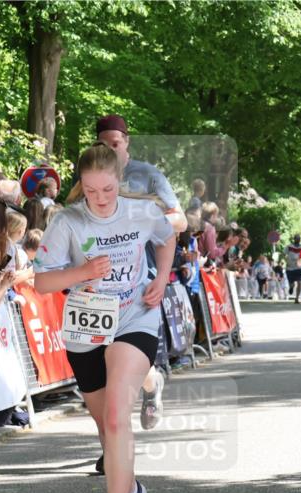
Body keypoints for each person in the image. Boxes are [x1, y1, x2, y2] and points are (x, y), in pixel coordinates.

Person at [33, 142, 175, 493]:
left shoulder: (142, 211)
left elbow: (166, 239)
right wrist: (82, 271)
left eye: (107, 190)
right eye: (91, 190)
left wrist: (161, 278)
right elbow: (42, 282)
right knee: (105, 426)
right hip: (86, 327)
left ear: (119, 182)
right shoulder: (67, 222)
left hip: (134, 317)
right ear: (81, 185)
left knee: (116, 416)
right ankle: (130, 490)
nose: (99, 199)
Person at [94, 114, 187, 441]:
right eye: (103, 145)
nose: (109, 151)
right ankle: (112, 446)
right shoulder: (87, 178)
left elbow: (180, 220)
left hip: (140, 285)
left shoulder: (147, 176)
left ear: (126, 143)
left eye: (115, 145)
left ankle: (151, 384)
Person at [285, 234, 301, 303]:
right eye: (296, 238)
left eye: (299, 238)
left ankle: (297, 298)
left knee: (299, 283)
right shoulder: (289, 246)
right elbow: (285, 255)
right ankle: (291, 287)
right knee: (292, 283)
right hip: (290, 268)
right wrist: (287, 261)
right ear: (294, 239)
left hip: (299, 267)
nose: (298, 239)